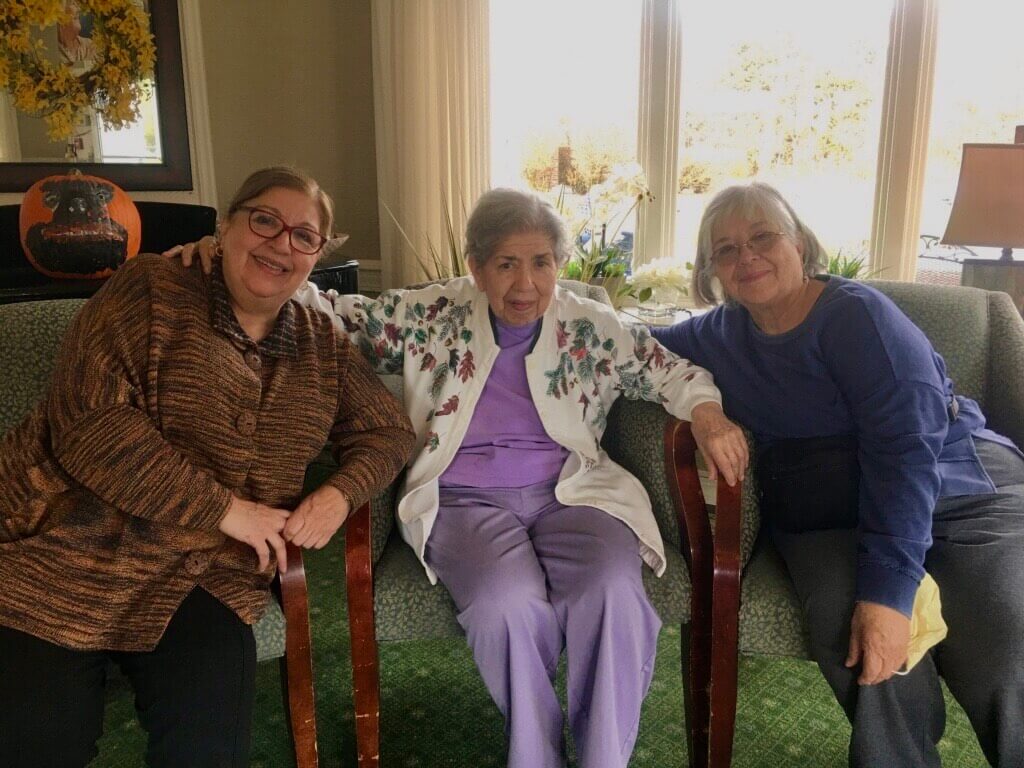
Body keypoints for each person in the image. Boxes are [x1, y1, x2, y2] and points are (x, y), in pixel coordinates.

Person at [173, 186, 748, 768]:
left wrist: (708, 413)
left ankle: (604, 759)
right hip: (463, 498)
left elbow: (668, 370)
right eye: (505, 264)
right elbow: (324, 311)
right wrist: (224, 256)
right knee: (506, 604)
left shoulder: (591, 325)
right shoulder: (431, 316)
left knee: (612, 595)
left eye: (541, 262)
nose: (525, 284)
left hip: (575, 492)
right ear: (475, 267)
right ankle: (537, 756)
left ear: (559, 264)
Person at [0, 166, 415, 767]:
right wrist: (228, 510)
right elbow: (89, 424)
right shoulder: (149, 288)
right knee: (38, 743)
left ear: (316, 256)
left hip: (202, 573)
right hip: (65, 547)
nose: (281, 243)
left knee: (206, 748)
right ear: (226, 226)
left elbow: (388, 430)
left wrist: (336, 496)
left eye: (304, 236)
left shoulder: (323, 346)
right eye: (265, 220)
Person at [652, 181, 1024, 767]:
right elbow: (631, 348)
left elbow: (905, 454)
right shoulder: (717, 335)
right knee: (867, 655)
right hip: (824, 511)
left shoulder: (856, 317)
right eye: (725, 249)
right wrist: (701, 406)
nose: (745, 256)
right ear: (712, 270)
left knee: (1009, 646)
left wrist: (889, 593)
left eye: (763, 237)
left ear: (800, 243)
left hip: (955, 481)